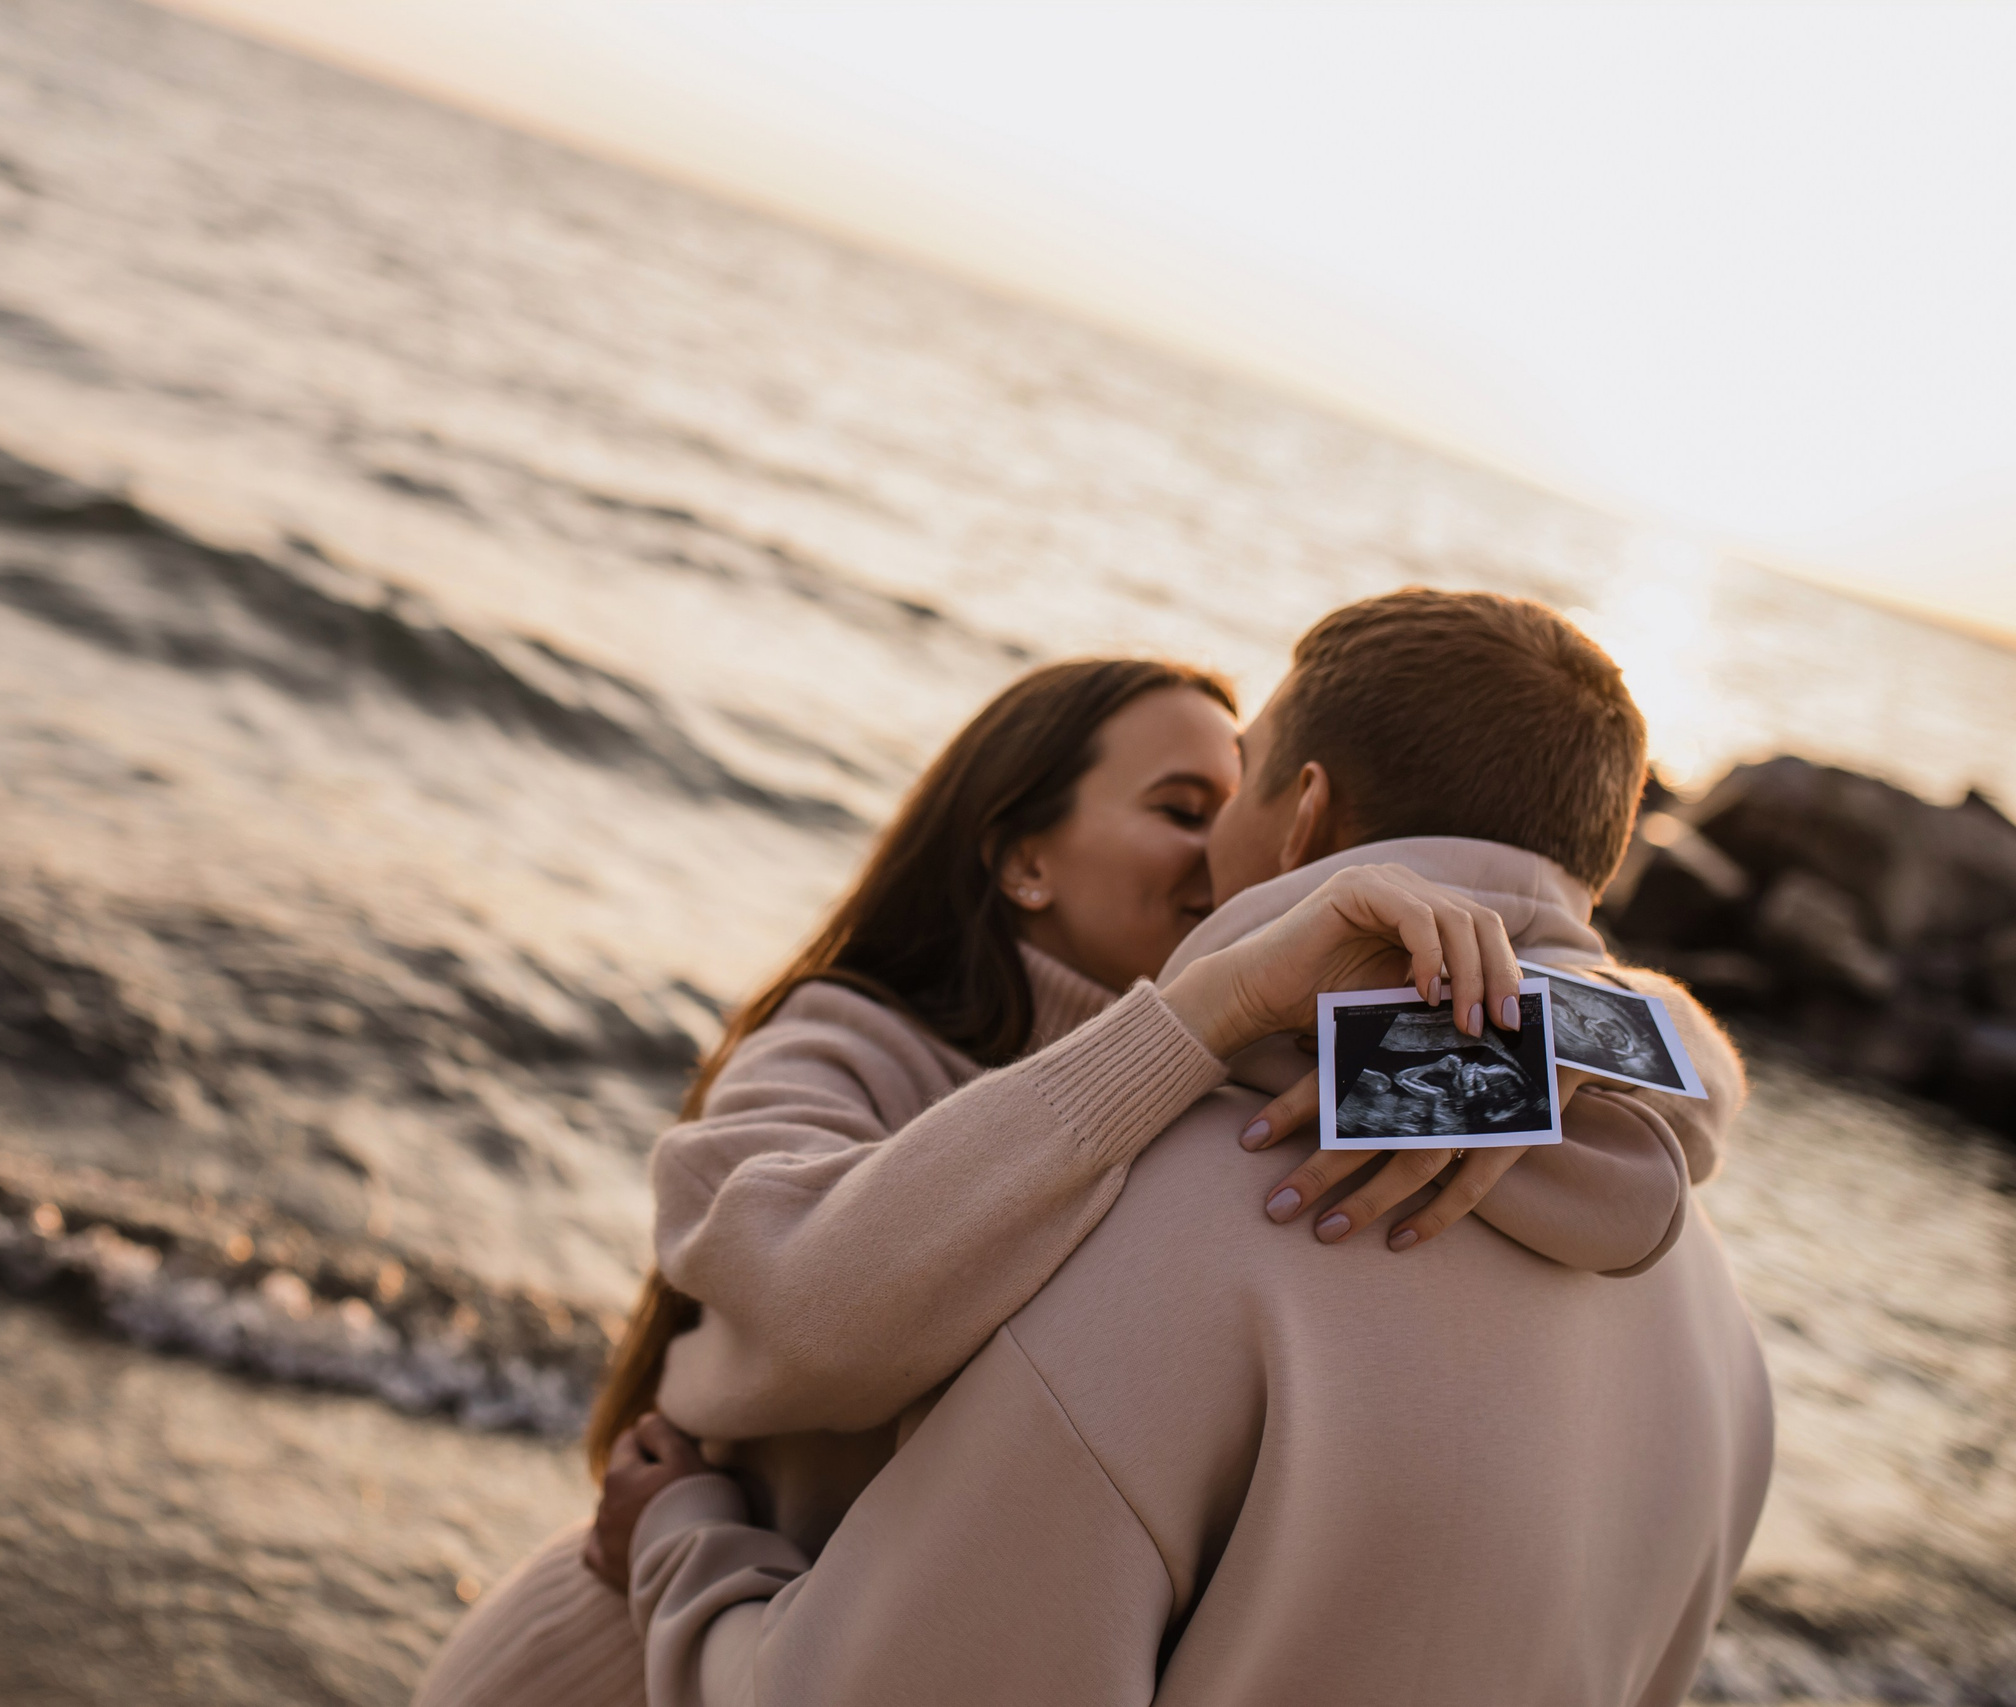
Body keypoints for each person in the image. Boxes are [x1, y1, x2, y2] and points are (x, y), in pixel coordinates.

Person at [416, 637, 1737, 1706]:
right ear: (1021, 856)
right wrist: (1199, 1017)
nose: (1217, 856)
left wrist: (1586, 1044)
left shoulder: (1293, 1105)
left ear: (1304, 827)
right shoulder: (857, 1046)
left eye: (1234, 809)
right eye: (1179, 809)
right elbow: (800, 1301)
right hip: (605, 1666)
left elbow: (1642, 1089)